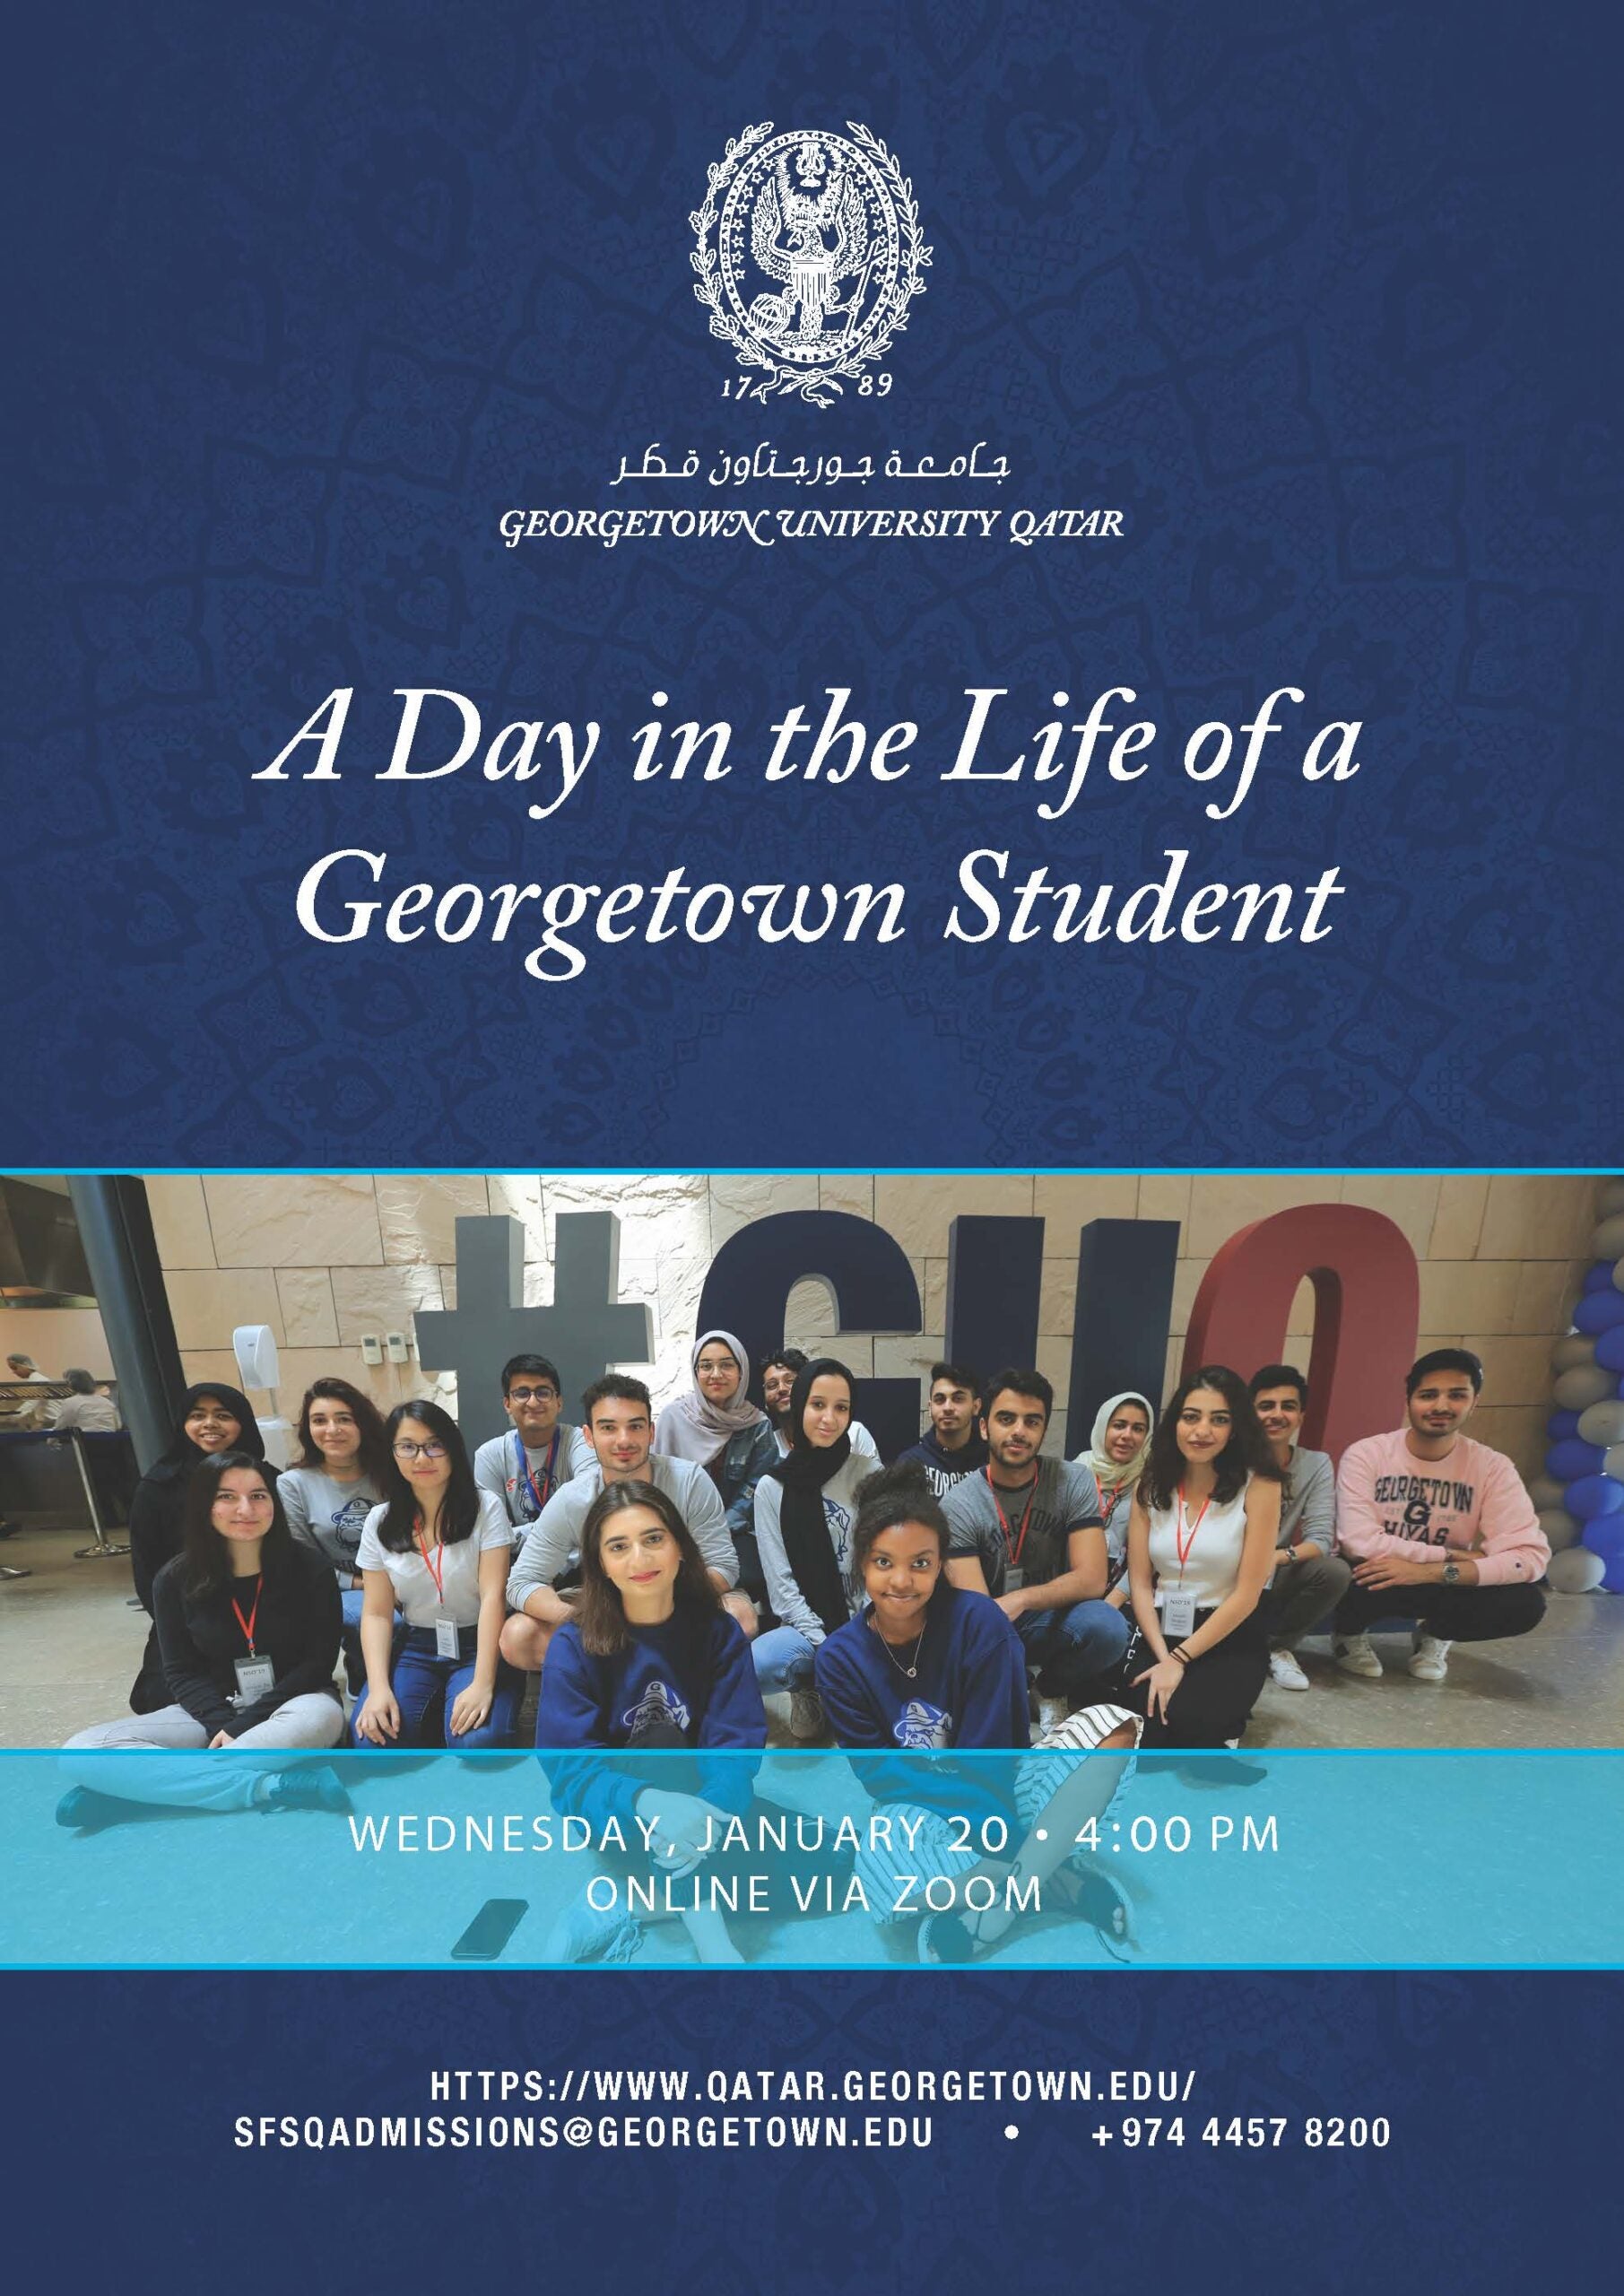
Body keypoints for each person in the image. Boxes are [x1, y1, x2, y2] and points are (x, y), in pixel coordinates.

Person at [814, 1463, 1141, 1963]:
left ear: (941, 1563)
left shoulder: (980, 1622)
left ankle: (997, 1906)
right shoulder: (839, 1658)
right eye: (884, 1562)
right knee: (879, 1872)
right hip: (920, 1803)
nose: (901, 1580)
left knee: (1111, 1729)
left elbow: (997, 1753)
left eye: (920, 1563)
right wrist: (1010, 1847)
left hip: (1003, 1789)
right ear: (861, 1563)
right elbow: (882, 1775)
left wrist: (997, 1840)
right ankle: (1047, 1876)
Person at [537, 1480, 769, 1965]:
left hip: (702, 1811)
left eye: (653, 1539)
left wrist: (711, 1813)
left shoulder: (717, 1630)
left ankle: (627, 1906)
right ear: (599, 1564)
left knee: (832, 1862)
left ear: (680, 1547)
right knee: (661, 1737)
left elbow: (736, 1744)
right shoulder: (573, 1644)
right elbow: (570, 1771)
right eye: (618, 1547)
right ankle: (713, 1940)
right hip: (623, 1814)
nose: (639, 1559)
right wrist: (648, 1800)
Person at [57, 1451, 346, 1829]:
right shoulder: (174, 1578)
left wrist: (243, 1727)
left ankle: (127, 1795)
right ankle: (269, 1786)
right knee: (80, 1752)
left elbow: (317, 1664)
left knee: (326, 1718)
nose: (246, 1508)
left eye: (259, 1495)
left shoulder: (310, 1568)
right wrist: (222, 1722)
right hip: (209, 1709)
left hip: (295, 1704)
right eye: (227, 1496)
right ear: (204, 1506)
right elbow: (180, 1670)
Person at [503, 1375, 748, 1677]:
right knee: (518, 1636)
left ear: (651, 1432)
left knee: (740, 1617)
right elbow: (522, 1582)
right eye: (608, 1428)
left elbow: (722, 1564)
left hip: (681, 1595)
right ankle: (606, 1683)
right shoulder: (572, 1499)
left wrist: (662, 1607)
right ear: (589, 1436)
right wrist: (584, 1617)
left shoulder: (690, 1481)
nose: (624, 1440)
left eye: (635, 1426)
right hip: (602, 1600)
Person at [1332, 1348, 1550, 1684]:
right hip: (1377, 1573)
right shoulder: (1368, 1453)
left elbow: (1529, 1558)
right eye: (1428, 1395)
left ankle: (1435, 1634)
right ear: (1409, 1400)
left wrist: (1431, 1571)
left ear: (1474, 1402)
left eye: (1457, 1395)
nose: (1441, 1406)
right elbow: (1359, 1540)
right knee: (1337, 1573)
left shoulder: (1492, 1467)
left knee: (1525, 1602)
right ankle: (1348, 1635)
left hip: (1443, 1580)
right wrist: (1449, 1555)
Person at [942, 1368, 1130, 1735]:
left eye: (1032, 1421)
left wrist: (1023, 1599)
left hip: (1050, 1616)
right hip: (989, 1624)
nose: (1019, 1431)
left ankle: (1049, 1690)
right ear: (984, 1428)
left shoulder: (1072, 1480)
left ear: (1044, 1430)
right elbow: (980, 1611)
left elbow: (1092, 1579)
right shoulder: (958, 1503)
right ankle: (1014, 1695)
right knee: (983, 1651)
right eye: (1006, 1419)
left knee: (1109, 1627)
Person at [1123, 1367, 1282, 1749]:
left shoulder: (1260, 1485)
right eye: (1191, 1417)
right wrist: (1163, 1656)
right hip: (1160, 1625)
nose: (1201, 1431)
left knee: (1194, 1725)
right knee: (1145, 1730)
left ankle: (1222, 1712)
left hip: (1228, 1627)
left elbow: (1248, 1594)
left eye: (1219, 1419)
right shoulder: (1150, 1484)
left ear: (1236, 1428)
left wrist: (1178, 1660)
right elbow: (1141, 1583)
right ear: (1175, 1422)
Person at [351, 1400, 521, 1749]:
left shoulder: (484, 1507)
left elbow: (493, 1597)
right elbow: (377, 1613)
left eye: (434, 1445)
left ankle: (446, 1716)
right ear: (392, 1454)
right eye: (408, 1447)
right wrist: (379, 1687)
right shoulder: (379, 1521)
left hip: (479, 1641)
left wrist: (483, 1683)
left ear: (453, 1448)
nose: (422, 1458)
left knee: (478, 1744)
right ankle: (428, 1717)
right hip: (418, 1643)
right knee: (373, 1742)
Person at [750, 1357, 876, 1734]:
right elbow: (782, 1588)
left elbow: (885, 1563)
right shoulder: (772, 1489)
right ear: (800, 1403)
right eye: (818, 1405)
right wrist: (828, 1647)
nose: (829, 1418)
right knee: (758, 1663)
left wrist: (865, 1631)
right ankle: (808, 1686)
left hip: (873, 1622)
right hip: (812, 1627)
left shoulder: (869, 1472)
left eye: (841, 1408)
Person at [126, 1384, 265, 1713]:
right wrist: (178, 1620)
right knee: (168, 1699)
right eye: (197, 1415)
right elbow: (148, 1571)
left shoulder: (265, 1479)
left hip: (261, 1613)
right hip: (188, 1615)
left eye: (223, 1415)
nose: (209, 1424)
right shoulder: (158, 1487)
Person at [279, 1378, 395, 1692]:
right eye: (320, 1420)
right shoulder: (293, 1484)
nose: (332, 1429)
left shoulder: (392, 1472)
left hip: (403, 1578)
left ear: (363, 1423)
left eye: (344, 1418)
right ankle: (364, 1675)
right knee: (387, 1623)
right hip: (341, 1588)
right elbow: (302, 1560)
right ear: (308, 1429)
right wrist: (360, 1582)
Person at [654, 1330, 780, 1605]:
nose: (716, 1374)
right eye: (706, 1366)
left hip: (733, 1534)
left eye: (726, 1365)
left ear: (741, 1371)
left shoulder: (757, 1425)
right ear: (695, 1371)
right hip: (677, 1534)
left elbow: (756, 1489)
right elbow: (656, 1486)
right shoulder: (673, 1418)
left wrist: (717, 1528)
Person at [1246, 1364, 1351, 1692]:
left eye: (1288, 1406)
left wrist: (1276, 1558)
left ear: (1301, 1416)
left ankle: (1277, 1648)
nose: (1277, 1415)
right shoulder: (1231, 1462)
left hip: (1277, 1568)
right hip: (1230, 1570)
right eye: (1266, 1406)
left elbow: (1320, 1539)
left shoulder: (1315, 1464)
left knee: (1334, 1571)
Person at [472, 1353, 594, 1533]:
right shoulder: (490, 1456)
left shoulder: (581, 1442)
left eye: (543, 1393)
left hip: (579, 1561)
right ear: (507, 1404)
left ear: (559, 1402)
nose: (533, 1402)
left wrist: (516, 1535)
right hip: (517, 1561)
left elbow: (588, 1511)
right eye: (522, 1394)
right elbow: (492, 1533)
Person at [1073, 1390, 1154, 1586]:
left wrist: (1114, 1600)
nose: (1127, 1435)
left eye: (1138, 1428)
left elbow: (1153, 1556)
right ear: (1103, 1427)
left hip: (1129, 1588)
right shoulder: (1076, 1473)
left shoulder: (1152, 1482)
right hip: (1073, 1579)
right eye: (1119, 1425)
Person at [762, 1346, 879, 1460]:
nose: (782, 1389)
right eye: (772, 1385)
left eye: (790, 1381)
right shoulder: (768, 1448)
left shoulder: (854, 1434)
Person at [897, 1361, 987, 1494]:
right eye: (940, 1400)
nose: (948, 1408)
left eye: (958, 1399)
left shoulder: (991, 1462)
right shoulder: (910, 1464)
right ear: (930, 1407)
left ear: (976, 1407)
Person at [47, 1369, 120, 1432]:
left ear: (71, 1385)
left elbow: (61, 1425)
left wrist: (51, 1439)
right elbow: (118, 1426)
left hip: (87, 1443)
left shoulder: (70, 1402)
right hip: (112, 1443)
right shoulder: (106, 1402)